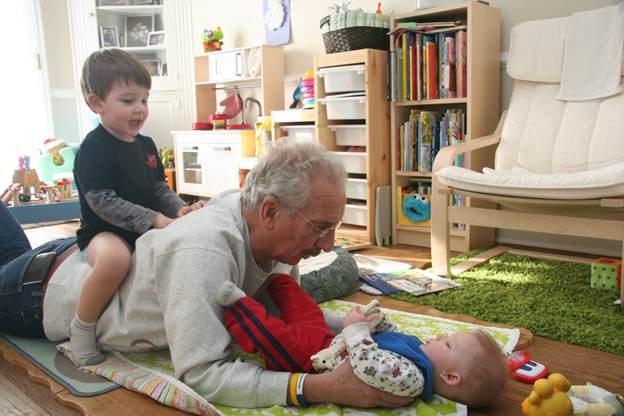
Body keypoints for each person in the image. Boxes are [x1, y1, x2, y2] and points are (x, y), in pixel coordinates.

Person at [0, 139, 413, 409]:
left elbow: (286, 315)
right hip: (36, 295)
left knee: (11, 249)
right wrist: (316, 388)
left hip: (64, 259)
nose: (328, 244)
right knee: (11, 259)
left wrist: (350, 325)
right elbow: (202, 373)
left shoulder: (273, 233)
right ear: (269, 211)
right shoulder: (203, 250)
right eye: (321, 226)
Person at [70, 48, 204, 366]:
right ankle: (82, 330)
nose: (140, 109)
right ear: (96, 103)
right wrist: (155, 219)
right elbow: (102, 201)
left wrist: (178, 209)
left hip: (146, 225)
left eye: (144, 100)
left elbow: (158, 188)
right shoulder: (94, 147)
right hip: (105, 232)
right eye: (128, 101)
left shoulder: (145, 144)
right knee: (115, 261)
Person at [217, 273, 508, 408]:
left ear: (449, 376)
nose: (441, 336)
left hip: (312, 360)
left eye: (449, 344)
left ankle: (239, 307)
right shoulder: (419, 349)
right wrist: (378, 324)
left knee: (275, 338)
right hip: (331, 340)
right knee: (302, 304)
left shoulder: (413, 380)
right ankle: (277, 283)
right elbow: (392, 338)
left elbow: (370, 365)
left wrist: (358, 332)